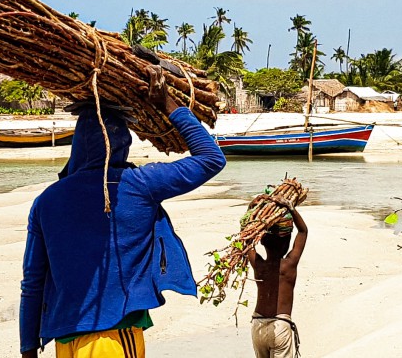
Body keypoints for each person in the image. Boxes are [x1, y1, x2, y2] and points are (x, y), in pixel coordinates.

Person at [19, 94, 227, 358]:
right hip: (113, 335)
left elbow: (33, 281)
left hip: (65, 339)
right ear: (122, 143)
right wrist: (171, 106)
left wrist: (28, 347)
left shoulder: (47, 201)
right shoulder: (138, 184)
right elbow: (211, 158)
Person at [247, 198, 309, 358]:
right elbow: (303, 232)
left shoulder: (259, 266)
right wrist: (291, 208)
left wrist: (251, 210)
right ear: (286, 243)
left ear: (262, 242)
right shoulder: (289, 265)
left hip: (258, 325)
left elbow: (245, 238)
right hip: (280, 325)